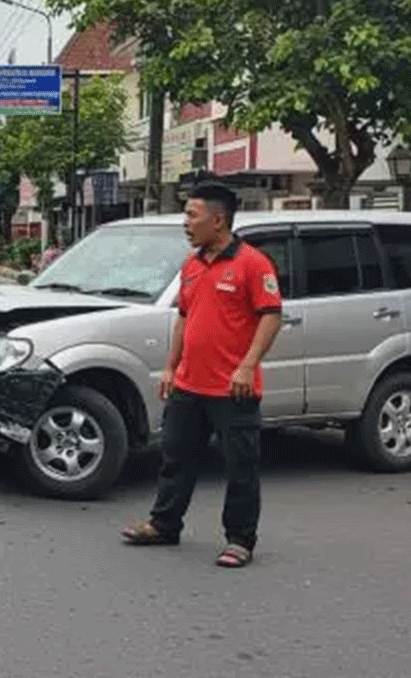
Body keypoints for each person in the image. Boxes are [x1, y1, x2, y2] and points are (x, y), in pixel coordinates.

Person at [120, 180, 282, 568]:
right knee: (176, 459)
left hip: (233, 389)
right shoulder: (192, 265)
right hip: (189, 386)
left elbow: (271, 316)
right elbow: (184, 318)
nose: (186, 223)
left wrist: (248, 365)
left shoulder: (252, 263)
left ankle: (240, 540)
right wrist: (171, 368)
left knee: (240, 468)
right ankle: (164, 524)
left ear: (218, 219)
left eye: (192, 215)